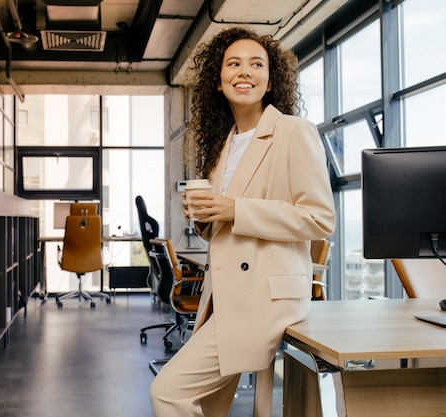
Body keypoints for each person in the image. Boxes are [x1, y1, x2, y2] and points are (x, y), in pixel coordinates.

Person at [149, 27, 336, 417]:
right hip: (226, 294)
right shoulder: (225, 144)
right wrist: (203, 219)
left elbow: (320, 220)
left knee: (168, 392)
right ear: (218, 82)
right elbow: (224, 224)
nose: (244, 72)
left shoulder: (293, 132)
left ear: (270, 80)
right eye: (233, 64)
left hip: (267, 297)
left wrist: (237, 209)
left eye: (256, 64)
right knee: (204, 404)